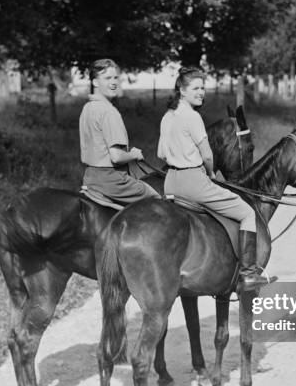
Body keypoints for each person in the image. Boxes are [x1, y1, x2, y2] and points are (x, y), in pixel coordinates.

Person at [157, 67, 276, 291]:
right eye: (196, 88)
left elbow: (161, 154)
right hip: (194, 181)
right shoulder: (192, 117)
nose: (201, 92)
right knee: (247, 213)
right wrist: (210, 173)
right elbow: (208, 155)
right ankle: (248, 274)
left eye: (203, 87)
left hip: (171, 181)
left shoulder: (167, 117)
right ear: (182, 90)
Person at [79, 58, 160, 203]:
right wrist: (134, 154)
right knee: (157, 199)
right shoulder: (109, 112)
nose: (114, 82)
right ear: (95, 82)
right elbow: (116, 157)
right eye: (107, 78)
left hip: (90, 177)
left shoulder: (88, 108)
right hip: (112, 180)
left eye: (115, 77)